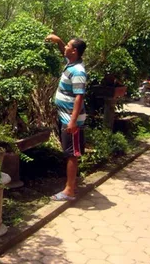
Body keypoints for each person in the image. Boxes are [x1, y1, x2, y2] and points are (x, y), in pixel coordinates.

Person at [45, 34, 87, 201]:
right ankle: (71, 186)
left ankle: (69, 190)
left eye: (68, 46)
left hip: (72, 119)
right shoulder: (72, 62)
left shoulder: (78, 71)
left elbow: (79, 97)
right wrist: (59, 41)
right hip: (65, 117)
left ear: (74, 51)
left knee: (72, 154)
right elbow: (65, 50)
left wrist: (72, 121)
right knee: (69, 152)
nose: (65, 48)